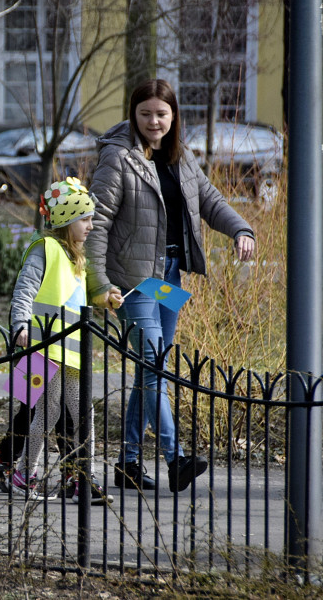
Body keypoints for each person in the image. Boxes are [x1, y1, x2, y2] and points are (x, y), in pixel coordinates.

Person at [87, 78, 256, 493]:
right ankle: (174, 456)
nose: (153, 121)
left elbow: (210, 200)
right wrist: (99, 283)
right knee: (152, 366)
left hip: (169, 276)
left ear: (174, 116)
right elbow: (97, 224)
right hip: (132, 280)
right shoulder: (118, 159)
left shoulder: (181, 157)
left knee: (152, 369)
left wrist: (240, 230)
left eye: (161, 114)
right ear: (134, 114)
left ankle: (127, 463)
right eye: (145, 113)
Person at [6, 178, 119, 503]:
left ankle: (82, 478)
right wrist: (20, 325)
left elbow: (76, 300)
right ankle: (28, 474)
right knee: (49, 412)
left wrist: (105, 298)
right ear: (67, 220)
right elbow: (24, 289)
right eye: (85, 218)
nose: (91, 224)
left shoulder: (77, 260)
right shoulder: (47, 249)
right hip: (45, 346)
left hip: (71, 351)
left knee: (81, 413)